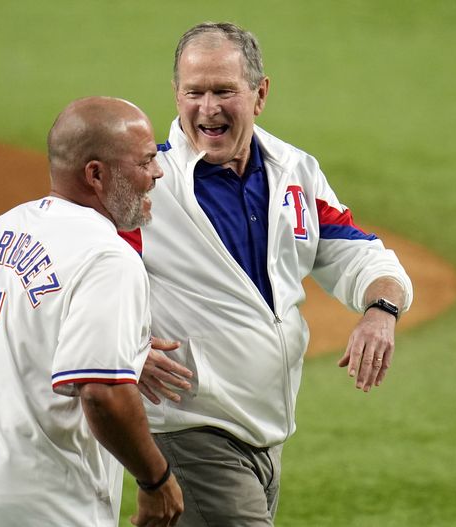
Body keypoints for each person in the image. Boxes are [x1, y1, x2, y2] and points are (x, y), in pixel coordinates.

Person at [120, 22, 414, 526]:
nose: (207, 108)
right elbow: (81, 280)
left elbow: (354, 252)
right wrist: (122, 346)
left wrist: (381, 309)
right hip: (190, 429)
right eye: (194, 92)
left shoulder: (295, 171)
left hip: (266, 431)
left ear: (260, 94)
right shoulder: (148, 185)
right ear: (176, 94)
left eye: (223, 91)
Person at [0, 96, 183, 527]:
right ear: (96, 174)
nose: (158, 172)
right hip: (37, 501)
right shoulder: (108, 256)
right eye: (145, 161)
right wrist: (156, 480)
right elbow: (101, 391)